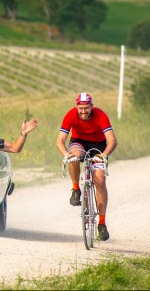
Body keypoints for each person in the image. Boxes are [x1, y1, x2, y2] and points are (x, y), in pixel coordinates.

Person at [56, 92, 117, 242]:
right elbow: (60, 141)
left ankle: (102, 223)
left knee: (100, 181)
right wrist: (66, 154)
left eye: (86, 108)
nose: (83, 111)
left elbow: (112, 141)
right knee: (74, 157)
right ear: (77, 107)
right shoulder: (71, 114)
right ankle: (76, 188)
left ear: (92, 106)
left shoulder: (101, 115)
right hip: (79, 142)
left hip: (99, 145)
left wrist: (103, 155)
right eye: (80, 108)